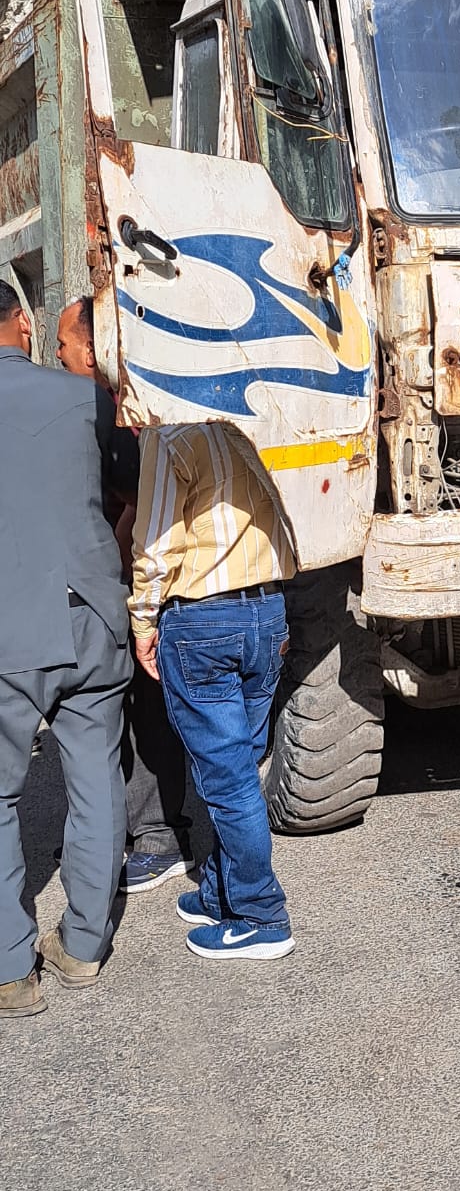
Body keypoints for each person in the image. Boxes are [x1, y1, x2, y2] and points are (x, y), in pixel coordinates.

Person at [0, 279, 132, 1018]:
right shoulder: (86, 399)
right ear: (21, 323)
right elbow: (127, 488)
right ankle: (83, 946)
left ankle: (11, 970)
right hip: (92, 617)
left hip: (7, 630)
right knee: (95, 781)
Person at [130, 422, 297, 961]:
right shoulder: (264, 415)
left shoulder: (170, 432)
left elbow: (156, 542)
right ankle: (224, 890)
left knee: (227, 780)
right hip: (268, 609)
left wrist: (142, 621)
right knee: (241, 766)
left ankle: (260, 914)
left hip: (203, 619)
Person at [56, 297, 193, 891]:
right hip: (126, 580)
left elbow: (138, 497)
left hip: (138, 584)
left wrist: (113, 561)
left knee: (145, 709)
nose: (56, 355)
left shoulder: (115, 414)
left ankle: (160, 836)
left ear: (91, 349)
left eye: (63, 344)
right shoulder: (92, 408)